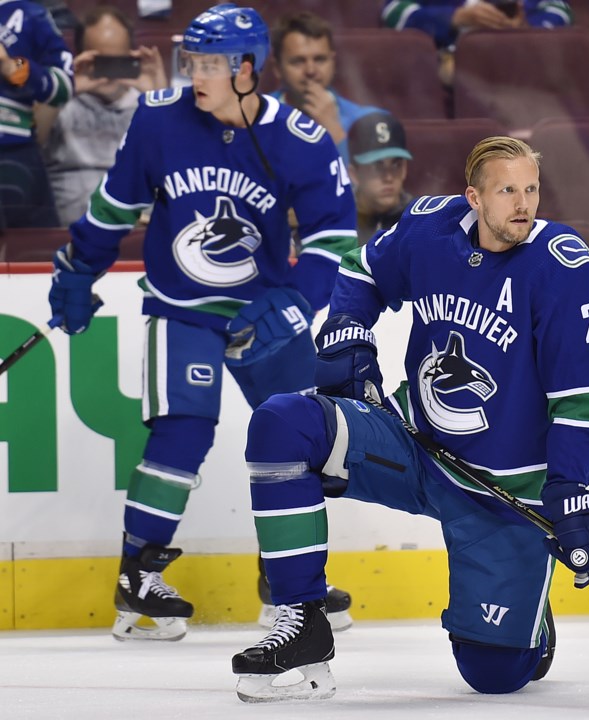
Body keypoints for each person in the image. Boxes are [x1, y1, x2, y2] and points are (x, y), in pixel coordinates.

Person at [230, 136, 589, 703]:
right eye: (507, 190)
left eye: (531, 189)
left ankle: (526, 619)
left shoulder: (562, 266)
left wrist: (568, 485)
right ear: (474, 198)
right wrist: (348, 327)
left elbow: (588, 396)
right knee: (282, 424)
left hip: (501, 490)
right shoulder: (429, 228)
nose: (523, 204)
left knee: (495, 675)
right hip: (414, 445)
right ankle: (301, 621)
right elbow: (361, 272)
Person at [46, 3, 358, 642]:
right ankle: (138, 579)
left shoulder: (298, 139)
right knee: (181, 436)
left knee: (298, 444)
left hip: (263, 314)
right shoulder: (160, 117)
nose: (197, 75)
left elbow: (336, 237)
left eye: (210, 64)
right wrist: (79, 269)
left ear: (248, 68)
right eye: (192, 62)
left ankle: (289, 582)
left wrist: (297, 299)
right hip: (180, 305)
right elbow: (115, 204)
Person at [42, 6, 168, 226]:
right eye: (100, 62)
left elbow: (183, 170)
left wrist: (161, 99)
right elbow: (28, 148)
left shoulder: (151, 105)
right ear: (81, 56)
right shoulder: (59, 105)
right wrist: (66, 89)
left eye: (117, 61)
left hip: (141, 234)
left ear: (131, 56)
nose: (109, 72)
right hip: (72, 236)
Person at [270, 12, 382, 164]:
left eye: (320, 59)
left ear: (333, 62)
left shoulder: (368, 123)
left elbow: (366, 186)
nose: (311, 70)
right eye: (298, 61)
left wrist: (335, 133)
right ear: (277, 68)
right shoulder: (252, 120)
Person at [0, 0, 73, 229]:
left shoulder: (28, 14)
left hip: (14, 152)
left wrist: (13, 68)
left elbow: (64, 87)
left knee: (35, 250)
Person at [380, 0, 575, 49]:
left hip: (523, 63)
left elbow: (560, 9)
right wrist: (455, 18)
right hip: (452, 63)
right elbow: (395, 12)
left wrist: (527, 30)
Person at [346, 110, 415, 245]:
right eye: (377, 166)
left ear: (404, 169)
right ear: (354, 174)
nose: (388, 177)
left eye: (396, 164)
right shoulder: (337, 222)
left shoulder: (420, 220)